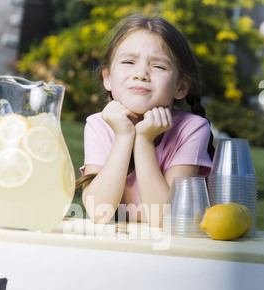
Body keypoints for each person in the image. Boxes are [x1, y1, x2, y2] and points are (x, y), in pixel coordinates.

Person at [77, 14, 214, 226]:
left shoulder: (192, 129)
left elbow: (166, 219)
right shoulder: (98, 125)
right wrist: (123, 138)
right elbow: (99, 212)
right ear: (107, 78)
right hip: (119, 247)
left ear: (181, 86)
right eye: (128, 62)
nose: (141, 74)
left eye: (158, 66)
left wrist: (144, 141)